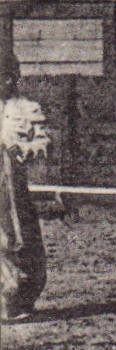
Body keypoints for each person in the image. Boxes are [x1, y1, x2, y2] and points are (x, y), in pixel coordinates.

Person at [2, 50, 51, 320]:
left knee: (27, 247)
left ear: (10, 79)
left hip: (15, 193)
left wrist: (20, 148)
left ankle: (23, 298)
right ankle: (6, 301)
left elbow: (43, 145)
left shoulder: (27, 109)